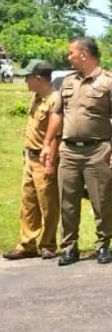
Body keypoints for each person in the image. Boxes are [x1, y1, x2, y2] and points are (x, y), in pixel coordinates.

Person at [40, 37, 112, 266]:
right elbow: (57, 114)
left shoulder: (108, 82)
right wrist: (47, 143)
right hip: (69, 150)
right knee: (67, 202)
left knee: (101, 200)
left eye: (71, 52)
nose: (68, 56)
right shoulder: (67, 82)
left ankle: (103, 246)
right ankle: (70, 247)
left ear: (83, 54)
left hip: (98, 150)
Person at [3, 60, 60, 260]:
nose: (25, 80)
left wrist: (51, 163)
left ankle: (48, 244)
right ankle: (27, 244)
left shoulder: (55, 100)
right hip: (30, 157)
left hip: (44, 159)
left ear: (38, 78)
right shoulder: (37, 98)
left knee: (48, 203)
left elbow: (56, 137)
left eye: (27, 77)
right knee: (28, 203)